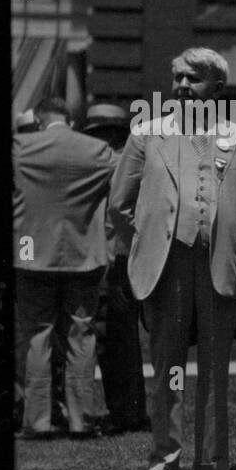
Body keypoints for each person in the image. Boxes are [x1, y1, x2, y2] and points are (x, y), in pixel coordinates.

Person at [109, 48, 236, 470]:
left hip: (219, 263)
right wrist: (148, 239)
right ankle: (164, 461)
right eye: (176, 77)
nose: (180, 86)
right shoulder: (147, 134)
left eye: (191, 78)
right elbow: (119, 204)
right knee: (168, 367)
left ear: (217, 87)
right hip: (166, 265)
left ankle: (214, 462)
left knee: (215, 368)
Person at [13, 96, 117, 438]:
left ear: (39, 120)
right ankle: (81, 418)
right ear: (70, 121)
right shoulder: (98, 152)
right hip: (84, 251)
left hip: (29, 250)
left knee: (35, 334)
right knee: (81, 335)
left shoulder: (19, 147)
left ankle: (38, 419)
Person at [83, 103, 150, 434]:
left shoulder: (113, 162)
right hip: (129, 258)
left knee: (114, 339)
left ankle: (124, 412)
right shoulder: (132, 160)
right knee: (125, 339)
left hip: (115, 259)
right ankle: (132, 409)